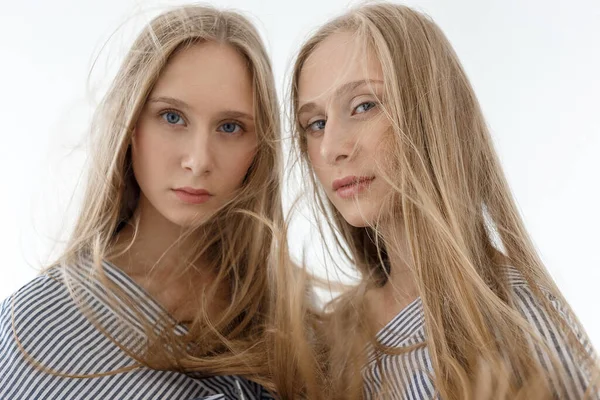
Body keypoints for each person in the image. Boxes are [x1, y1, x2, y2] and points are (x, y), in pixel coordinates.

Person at [289, 3, 600, 399]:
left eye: (364, 105)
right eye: (315, 124)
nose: (331, 147)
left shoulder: (517, 324)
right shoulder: (323, 341)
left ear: (429, 113)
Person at [0, 5, 310, 399]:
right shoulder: (31, 325)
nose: (198, 161)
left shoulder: (292, 319)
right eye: (172, 117)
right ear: (130, 125)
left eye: (230, 127)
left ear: (259, 146)